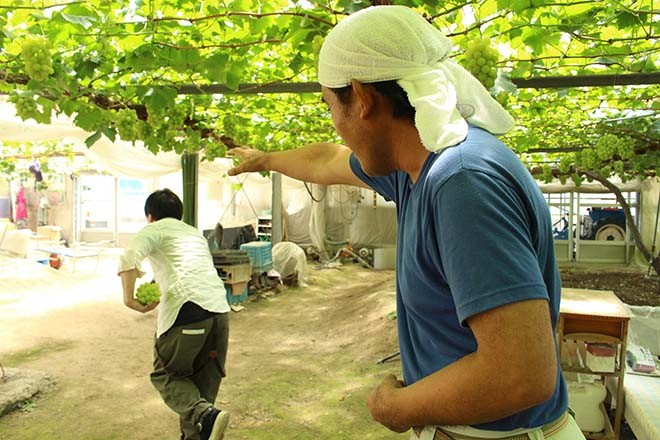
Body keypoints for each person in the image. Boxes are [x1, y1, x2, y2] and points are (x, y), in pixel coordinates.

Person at [228, 6, 584, 440]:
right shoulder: (418, 168)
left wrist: (396, 407)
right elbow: (327, 158)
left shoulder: (460, 181)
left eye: (329, 106)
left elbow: (521, 374)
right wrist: (264, 160)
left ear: (362, 98)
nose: (334, 125)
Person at [118, 189, 231, 440]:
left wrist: (129, 299)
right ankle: (203, 425)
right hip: (220, 313)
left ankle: (205, 417)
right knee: (202, 386)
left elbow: (128, 257)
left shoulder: (154, 229)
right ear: (179, 214)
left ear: (150, 216)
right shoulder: (193, 234)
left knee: (165, 374)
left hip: (187, 311)